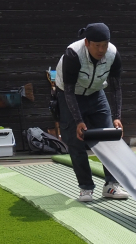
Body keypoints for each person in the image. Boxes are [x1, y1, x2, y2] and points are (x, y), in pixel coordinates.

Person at [54, 22, 127, 202]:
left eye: (105, 45)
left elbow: (116, 88)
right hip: (70, 94)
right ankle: (86, 188)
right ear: (87, 42)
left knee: (110, 137)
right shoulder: (73, 54)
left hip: (96, 93)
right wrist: (79, 121)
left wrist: (117, 117)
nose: (101, 49)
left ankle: (111, 185)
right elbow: (69, 91)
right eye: (97, 45)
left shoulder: (113, 54)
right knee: (75, 140)